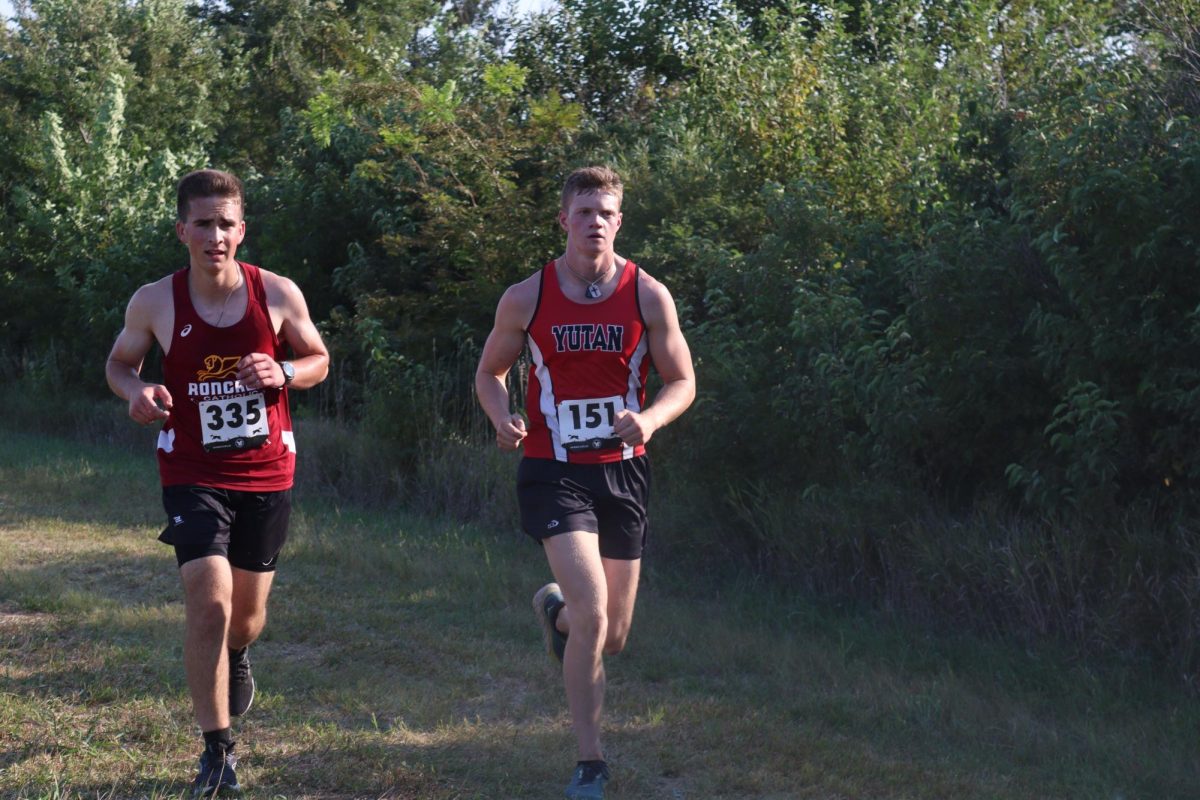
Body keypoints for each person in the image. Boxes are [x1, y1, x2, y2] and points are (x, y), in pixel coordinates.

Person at [106, 169, 330, 797]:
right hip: (191, 469)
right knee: (209, 600)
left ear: (242, 230)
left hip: (265, 470)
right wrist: (138, 390)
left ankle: (235, 655)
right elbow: (120, 364)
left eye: (226, 223)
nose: (215, 236)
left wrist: (283, 371)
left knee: (246, 617)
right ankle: (217, 751)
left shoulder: (277, 293)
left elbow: (319, 361)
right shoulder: (155, 300)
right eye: (202, 224)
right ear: (183, 230)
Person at [475, 165, 696, 800]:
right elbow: (490, 373)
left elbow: (682, 380)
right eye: (583, 212)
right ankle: (590, 762)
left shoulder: (648, 294)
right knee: (596, 615)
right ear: (563, 220)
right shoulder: (528, 296)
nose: (594, 222)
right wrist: (501, 416)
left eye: (606, 212)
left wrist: (649, 417)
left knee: (612, 634)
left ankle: (555, 613)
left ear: (619, 221)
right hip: (552, 471)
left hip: (622, 472)